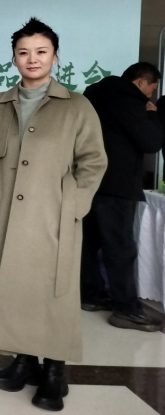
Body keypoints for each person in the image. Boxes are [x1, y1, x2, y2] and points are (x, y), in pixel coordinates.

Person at [0, 18, 107, 412]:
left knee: (53, 292)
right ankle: (24, 360)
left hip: (53, 217)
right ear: (14, 58)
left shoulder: (76, 106)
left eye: (41, 51)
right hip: (3, 216)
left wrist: (73, 205)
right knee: (11, 289)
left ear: (55, 56)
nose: (32, 59)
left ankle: (55, 370)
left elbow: (93, 161)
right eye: (24, 52)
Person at [81, 62, 163, 331]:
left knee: (89, 245)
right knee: (121, 249)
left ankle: (90, 295)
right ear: (141, 82)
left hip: (88, 182)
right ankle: (126, 310)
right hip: (117, 185)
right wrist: (153, 115)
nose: (150, 96)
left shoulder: (93, 95)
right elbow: (151, 142)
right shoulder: (128, 102)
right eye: (151, 89)